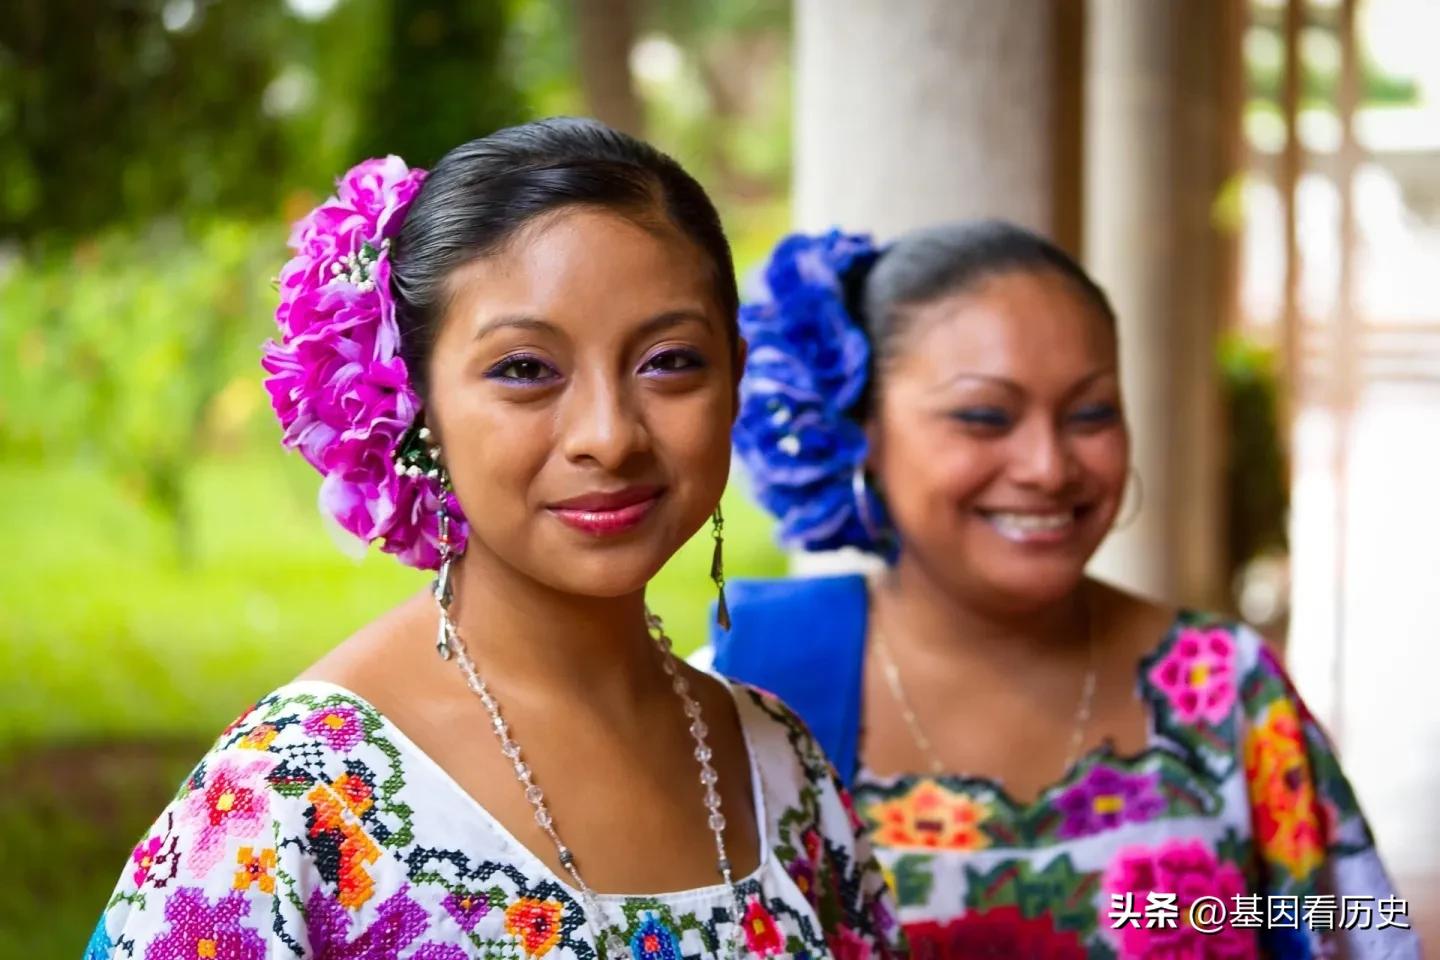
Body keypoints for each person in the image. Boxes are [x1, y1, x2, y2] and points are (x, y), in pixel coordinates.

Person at [86, 119, 902, 960]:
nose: (608, 436)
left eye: (667, 361)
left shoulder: (783, 770)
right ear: (414, 400)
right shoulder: (288, 805)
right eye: (524, 369)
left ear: (734, 378)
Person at [709, 221, 1418, 958]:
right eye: (985, 416)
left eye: (1090, 414)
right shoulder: (750, 697)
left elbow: (1361, 929)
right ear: (860, 431)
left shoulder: (1225, 689)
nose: (1048, 466)